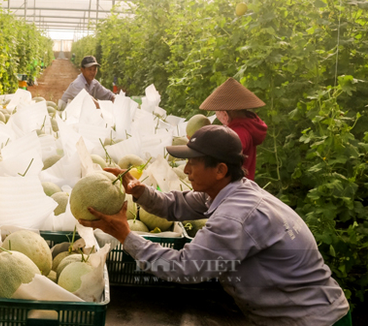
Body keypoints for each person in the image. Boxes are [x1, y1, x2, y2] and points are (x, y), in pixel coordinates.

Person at [79, 125, 351, 326]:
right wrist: (138, 191)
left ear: (220, 170)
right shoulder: (232, 190)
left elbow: (184, 268)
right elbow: (177, 204)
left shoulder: (235, 216)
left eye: (192, 164)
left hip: (316, 321)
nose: (185, 170)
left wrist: (125, 235)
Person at [200, 77, 267, 180]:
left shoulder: (238, 132)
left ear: (229, 111)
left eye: (219, 110)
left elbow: (224, 157)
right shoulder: (245, 126)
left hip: (234, 186)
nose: (217, 113)